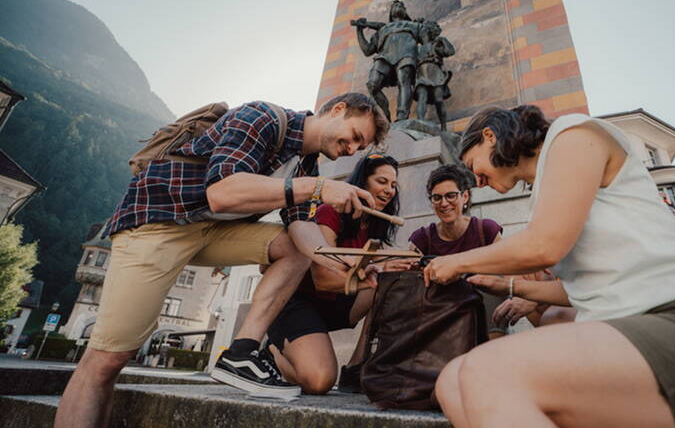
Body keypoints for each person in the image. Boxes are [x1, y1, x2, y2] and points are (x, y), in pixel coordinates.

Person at [424, 105, 675, 427]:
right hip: (645, 330)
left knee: (486, 371)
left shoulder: (572, 134)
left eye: (471, 164)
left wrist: (455, 262)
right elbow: (581, 289)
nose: (475, 178)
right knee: (452, 382)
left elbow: (544, 245)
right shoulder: (547, 192)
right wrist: (509, 286)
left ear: (490, 137)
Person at [54, 93, 389, 428]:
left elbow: (302, 230)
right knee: (107, 360)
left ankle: (241, 352)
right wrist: (317, 188)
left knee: (292, 247)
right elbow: (222, 193)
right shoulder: (263, 118)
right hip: (158, 224)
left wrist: (341, 261)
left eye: (360, 147)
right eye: (356, 136)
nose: (352, 149)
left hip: (212, 231)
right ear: (338, 109)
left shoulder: (306, 164)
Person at [264, 154, 402, 395]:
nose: (389, 190)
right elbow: (323, 279)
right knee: (319, 381)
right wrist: (366, 278)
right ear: (362, 182)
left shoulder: (373, 224)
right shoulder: (331, 212)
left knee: (391, 280)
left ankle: (356, 368)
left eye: (393, 185)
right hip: (297, 303)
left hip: (334, 305)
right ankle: (270, 353)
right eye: (382, 181)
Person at [408, 164, 506, 339]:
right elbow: (410, 284)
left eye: (451, 195)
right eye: (437, 198)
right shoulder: (422, 238)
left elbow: (508, 268)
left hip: (483, 305)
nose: (444, 203)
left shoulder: (486, 230)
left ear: (465, 196)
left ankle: (493, 351)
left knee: (493, 279)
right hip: (440, 310)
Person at [352, 0, 423, 121]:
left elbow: (429, 41)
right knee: (372, 85)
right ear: (390, 12)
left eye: (401, 6)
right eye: (395, 5)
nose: (398, 6)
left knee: (404, 81)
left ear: (405, 12)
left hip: (406, 55)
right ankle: (385, 116)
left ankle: (402, 116)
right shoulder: (382, 30)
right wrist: (359, 31)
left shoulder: (415, 26)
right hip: (385, 58)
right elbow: (367, 50)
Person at [415, 20, 454, 131]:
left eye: (422, 29)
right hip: (422, 73)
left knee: (438, 100)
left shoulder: (435, 44)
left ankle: (444, 127)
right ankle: (421, 121)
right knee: (422, 96)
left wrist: (444, 41)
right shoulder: (417, 48)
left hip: (435, 73)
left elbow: (450, 52)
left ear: (427, 31)